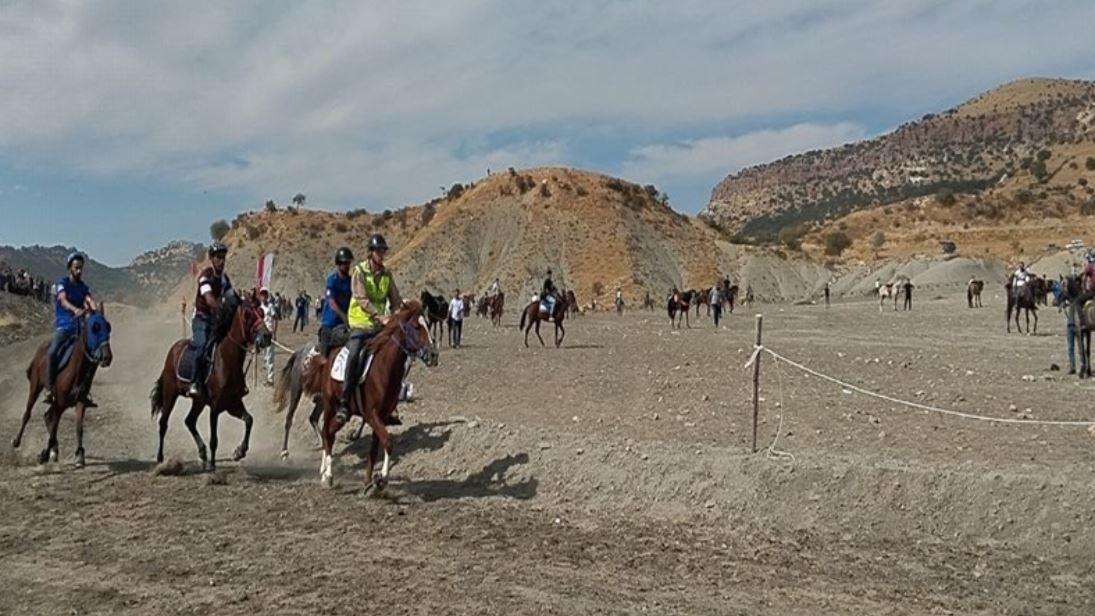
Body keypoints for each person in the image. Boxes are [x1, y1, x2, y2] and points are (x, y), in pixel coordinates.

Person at [338, 234, 403, 425]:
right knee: (354, 355)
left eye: (383, 251)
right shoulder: (359, 272)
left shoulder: (386, 275)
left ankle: (390, 404)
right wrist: (380, 316)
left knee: (395, 355)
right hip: (360, 323)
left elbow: (395, 298)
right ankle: (344, 401)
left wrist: (399, 313)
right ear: (370, 252)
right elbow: (361, 298)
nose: (382, 254)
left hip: (378, 326)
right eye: (379, 251)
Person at [44, 251, 97, 404]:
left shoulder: (83, 287)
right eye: (76, 268)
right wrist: (74, 309)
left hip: (79, 329)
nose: (79, 271)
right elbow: (62, 299)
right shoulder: (63, 283)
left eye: (81, 268)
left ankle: (84, 391)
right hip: (64, 327)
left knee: (94, 357)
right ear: (70, 268)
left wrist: (94, 308)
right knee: (53, 352)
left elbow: (89, 299)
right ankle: (50, 388)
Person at [189, 242, 232, 397]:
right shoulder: (205, 276)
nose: (222, 261)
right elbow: (209, 300)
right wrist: (221, 309)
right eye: (218, 257)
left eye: (223, 257)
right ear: (212, 259)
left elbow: (231, 296)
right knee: (201, 346)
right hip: (201, 319)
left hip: (215, 320)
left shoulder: (224, 279)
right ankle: (194, 382)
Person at [318, 247, 354, 357]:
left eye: (348, 263)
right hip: (329, 327)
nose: (347, 266)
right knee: (322, 361)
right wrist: (345, 317)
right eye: (344, 263)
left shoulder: (350, 281)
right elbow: (332, 304)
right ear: (338, 264)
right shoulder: (332, 280)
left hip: (343, 326)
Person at [260, 289, 278, 386]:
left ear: (267, 296)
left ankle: (270, 379)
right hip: (263, 334)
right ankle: (266, 377)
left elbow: (275, 319)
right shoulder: (260, 307)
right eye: (261, 295)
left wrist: (274, 333)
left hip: (269, 333)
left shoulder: (270, 307)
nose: (263, 297)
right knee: (265, 357)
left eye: (264, 295)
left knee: (270, 356)